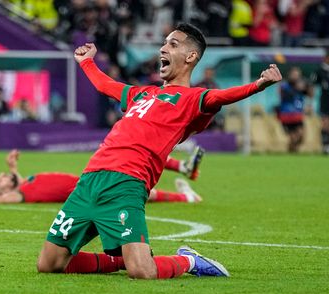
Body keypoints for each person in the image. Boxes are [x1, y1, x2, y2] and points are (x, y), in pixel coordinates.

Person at [36, 23, 281, 279]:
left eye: (173, 44)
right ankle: (120, 261)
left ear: (191, 57)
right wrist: (86, 62)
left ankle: (188, 261)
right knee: (49, 263)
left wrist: (258, 85)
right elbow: (105, 85)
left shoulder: (192, 99)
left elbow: (221, 97)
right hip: (89, 180)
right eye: (164, 43)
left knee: (142, 271)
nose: (163, 48)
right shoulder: (142, 93)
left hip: (126, 183)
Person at [0, 149, 204, 204]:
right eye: (0, 180)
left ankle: (184, 177)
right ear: (5, 191)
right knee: (133, 177)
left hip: (90, 183)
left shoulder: (25, 184)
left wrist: (13, 166)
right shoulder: (19, 195)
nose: (3, 176)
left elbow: (24, 183)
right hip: (91, 191)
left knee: (131, 172)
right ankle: (186, 196)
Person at [278, 66, 311, 153]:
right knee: (293, 136)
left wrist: (307, 87)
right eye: (294, 74)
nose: (296, 76)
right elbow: (282, 96)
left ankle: (292, 150)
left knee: (301, 136)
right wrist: (296, 88)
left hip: (298, 114)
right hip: (287, 115)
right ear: (290, 75)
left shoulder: (302, 85)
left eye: (297, 75)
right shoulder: (284, 86)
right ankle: (292, 152)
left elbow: (310, 95)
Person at [312, 50, 329, 154]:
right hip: (325, 101)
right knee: (325, 124)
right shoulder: (320, 71)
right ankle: (325, 146)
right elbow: (312, 86)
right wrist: (310, 102)